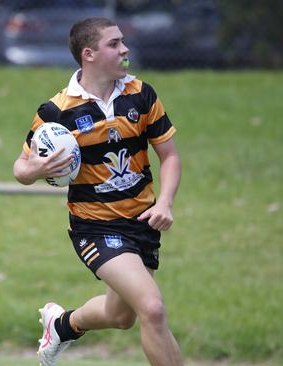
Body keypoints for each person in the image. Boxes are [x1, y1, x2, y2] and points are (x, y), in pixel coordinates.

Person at [13, 17, 183, 366]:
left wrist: (165, 202)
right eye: (115, 44)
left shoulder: (141, 94)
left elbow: (170, 157)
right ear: (88, 54)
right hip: (96, 228)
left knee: (121, 316)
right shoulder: (57, 111)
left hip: (143, 222)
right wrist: (37, 168)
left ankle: (62, 325)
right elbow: (20, 168)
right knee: (151, 308)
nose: (125, 50)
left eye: (123, 42)